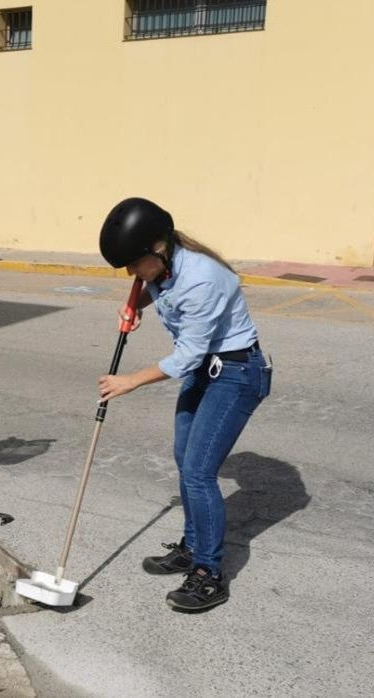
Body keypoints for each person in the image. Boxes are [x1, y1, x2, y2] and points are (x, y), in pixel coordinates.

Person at [96, 197, 271, 612]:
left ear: (158, 249)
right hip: (206, 369)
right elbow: (152, 287)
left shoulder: (201, 278)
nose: (131, 274)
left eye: (134, 265)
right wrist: (134, 303)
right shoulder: (164, 264)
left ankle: (209, 574)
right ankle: (192, 547)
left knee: (198, 472)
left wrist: (130, 381)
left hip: (235, 373)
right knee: (184, 457)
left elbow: (187, 356)